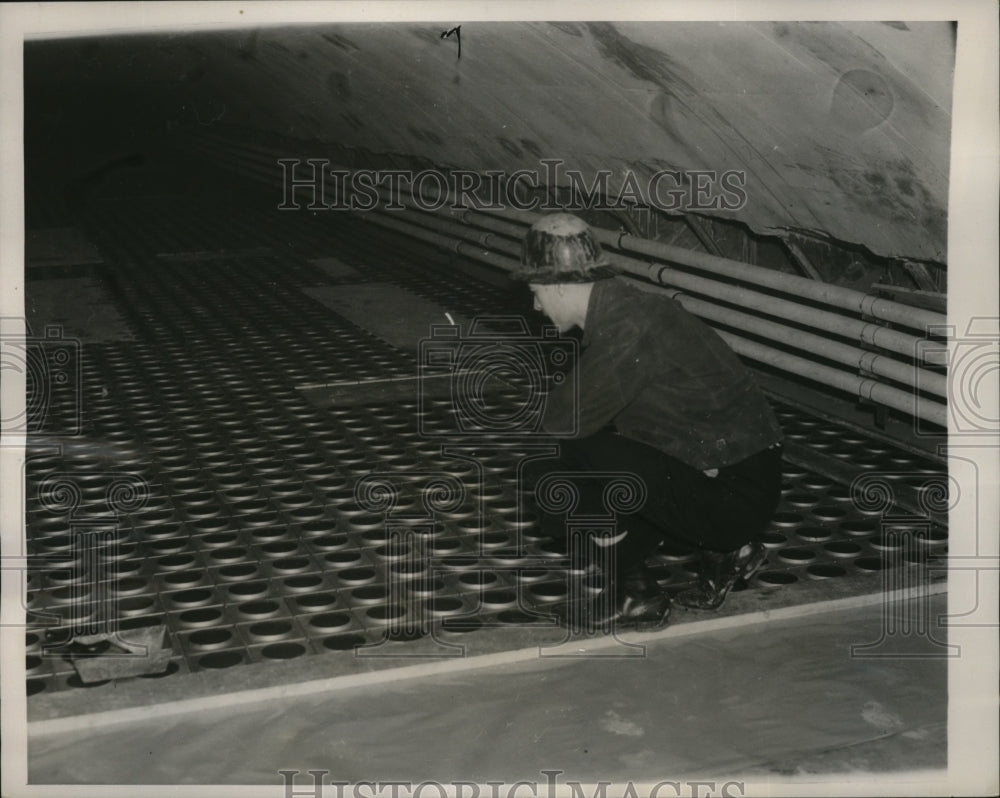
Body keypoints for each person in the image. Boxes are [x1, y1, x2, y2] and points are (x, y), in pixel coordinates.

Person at [513, 212, 784, 630]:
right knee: (594, 462)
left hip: (731, 495)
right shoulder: (628, 310)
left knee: (549, 459)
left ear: (558, 285)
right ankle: (728, 550)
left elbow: (558, 424)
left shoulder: (628, 326)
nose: (535, 305)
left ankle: (635, 594)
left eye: (536, 291)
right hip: (735, 480)